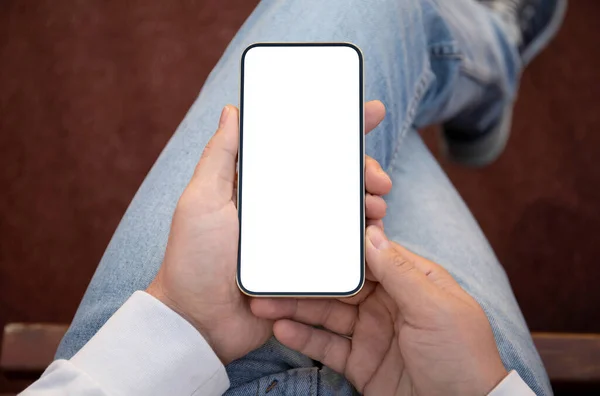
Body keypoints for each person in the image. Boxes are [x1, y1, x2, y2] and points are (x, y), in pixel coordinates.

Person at [23, 0, 567, 394]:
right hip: (422, 380)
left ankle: (484, 62)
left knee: (364, 116)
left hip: (170, 363)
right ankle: (488, 59)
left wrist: (188, 320)